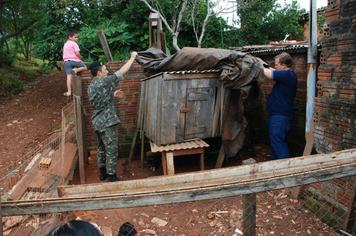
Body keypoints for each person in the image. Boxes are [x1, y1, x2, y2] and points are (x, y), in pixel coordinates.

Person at [87, 51, 138, 182]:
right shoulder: (105, 81)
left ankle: (102, 173)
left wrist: (112, 95)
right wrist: (132, 57)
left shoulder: (92, 85)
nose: (107, 71)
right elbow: (122, 72)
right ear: (99, 73)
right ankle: (112, 177)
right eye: (105, 69)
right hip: (107, 122)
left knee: (101, 149)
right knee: (111, 149)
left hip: (97, 122)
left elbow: (100, 99)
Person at [263, 52, 297, 160]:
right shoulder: (287, 74)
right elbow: (273, 70)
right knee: (277, 142)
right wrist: (266, 66)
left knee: (278, 142)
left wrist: (254, 64)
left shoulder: (287, 75)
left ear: (283, 65)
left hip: (280, 116)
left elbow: (268, 74)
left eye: (277, 64)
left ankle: (285, 169)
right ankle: (273, 164)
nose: (275, 66)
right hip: (279, 115)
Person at [62, 29, 87, 97]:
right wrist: (80, 60)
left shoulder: (65, 44)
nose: (76, 39)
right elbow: (77, 53)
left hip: (67, 61)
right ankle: (76, 70)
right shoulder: (74, 44)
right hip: (74, 60)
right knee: (84, 67)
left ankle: (69, 91)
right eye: (75, 37)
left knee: (69, 76)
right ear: (70, 37)